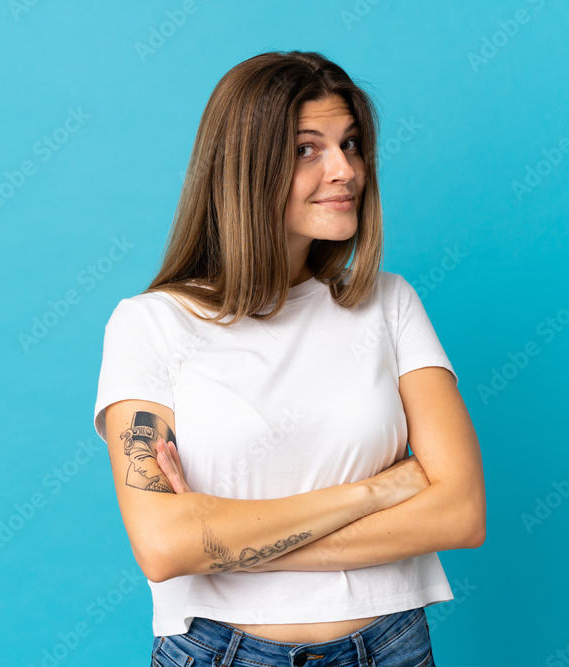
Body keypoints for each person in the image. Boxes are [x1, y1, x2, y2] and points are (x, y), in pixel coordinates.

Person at [93, 50, 486, 667]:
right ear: (243, 166)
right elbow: (164, 546)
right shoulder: (149, 326)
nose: (345, 170)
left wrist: (220, 539)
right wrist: (376, 492)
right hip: (221, 650)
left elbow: (461, 513)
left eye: (351, 144)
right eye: (308, 149)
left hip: (389, 647)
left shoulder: (389, 303)